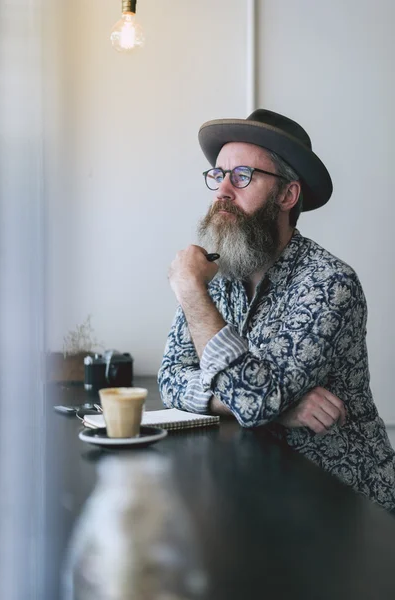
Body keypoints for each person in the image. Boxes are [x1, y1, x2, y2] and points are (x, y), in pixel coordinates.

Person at [158, 109, 395, 513]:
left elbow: (254, 403)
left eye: (243, 176)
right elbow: (170, 379)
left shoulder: (328, 283)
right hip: (262, 491)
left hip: (345, 505)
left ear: (287, 195)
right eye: (218, 175)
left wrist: (190, 291)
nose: (222, 192)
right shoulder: (218, 274)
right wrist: (280, 409)